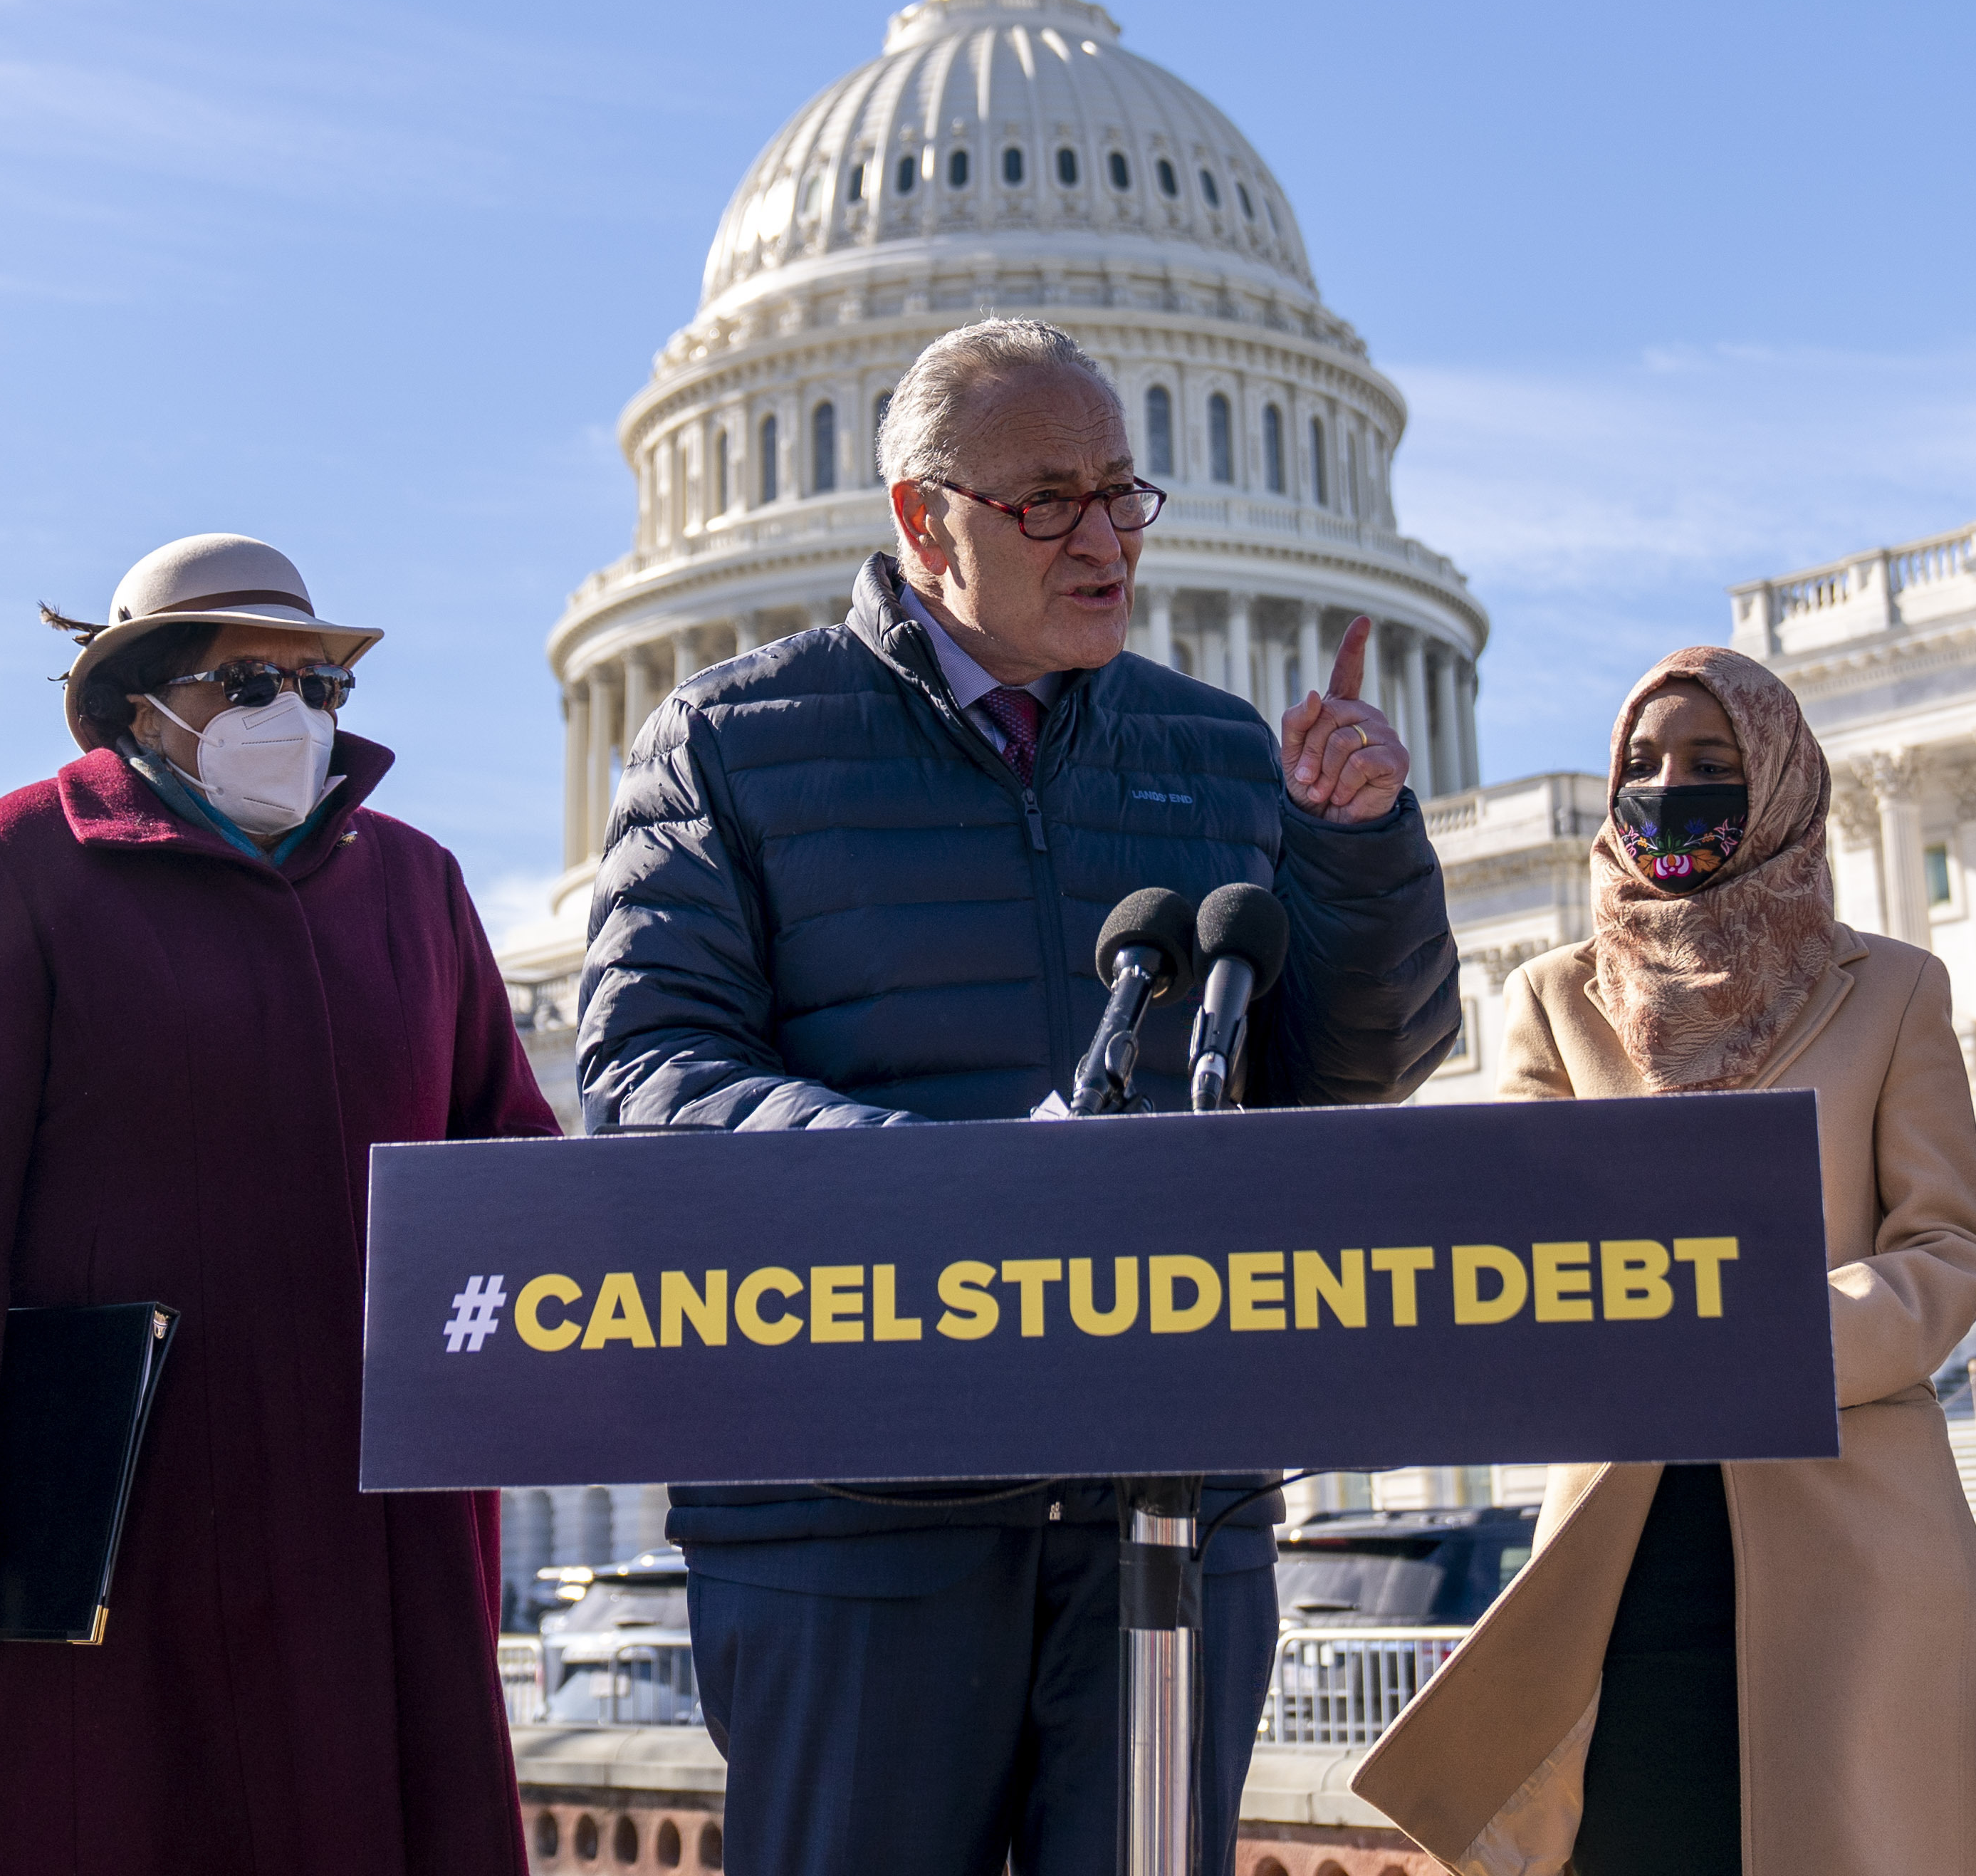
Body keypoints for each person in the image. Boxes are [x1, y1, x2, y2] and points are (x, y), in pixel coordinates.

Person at [580, 316, 1460, 1876]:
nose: (1108, 535)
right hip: (849, 1509)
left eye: (1125, 490)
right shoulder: (727, 741)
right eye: (1050, 498)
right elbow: (648, 1071)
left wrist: (1358, 849)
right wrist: (953, 1187)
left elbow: (1347, 1071)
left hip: (1171, 1503)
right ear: (926, 521)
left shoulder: (1218, 745)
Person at [0, 534, 559, 1876]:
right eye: (249, 681)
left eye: (320, 686)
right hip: (111, 1506)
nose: (296, 714)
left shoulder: (417, 885)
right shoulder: (14, 862)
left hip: (365, 1516)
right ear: (141, 700)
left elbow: (512, 1167)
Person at [1354, 647, 1976, 1876]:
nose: (1670, 788)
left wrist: (1778, 1340)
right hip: (1628, 1555)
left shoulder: (1891, 990)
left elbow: (1948, 1246)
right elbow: (1516, 1250)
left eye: (1712, 767)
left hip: (1857, 1547)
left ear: (1777, 783)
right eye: (1644, 765)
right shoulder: (1553, 999)